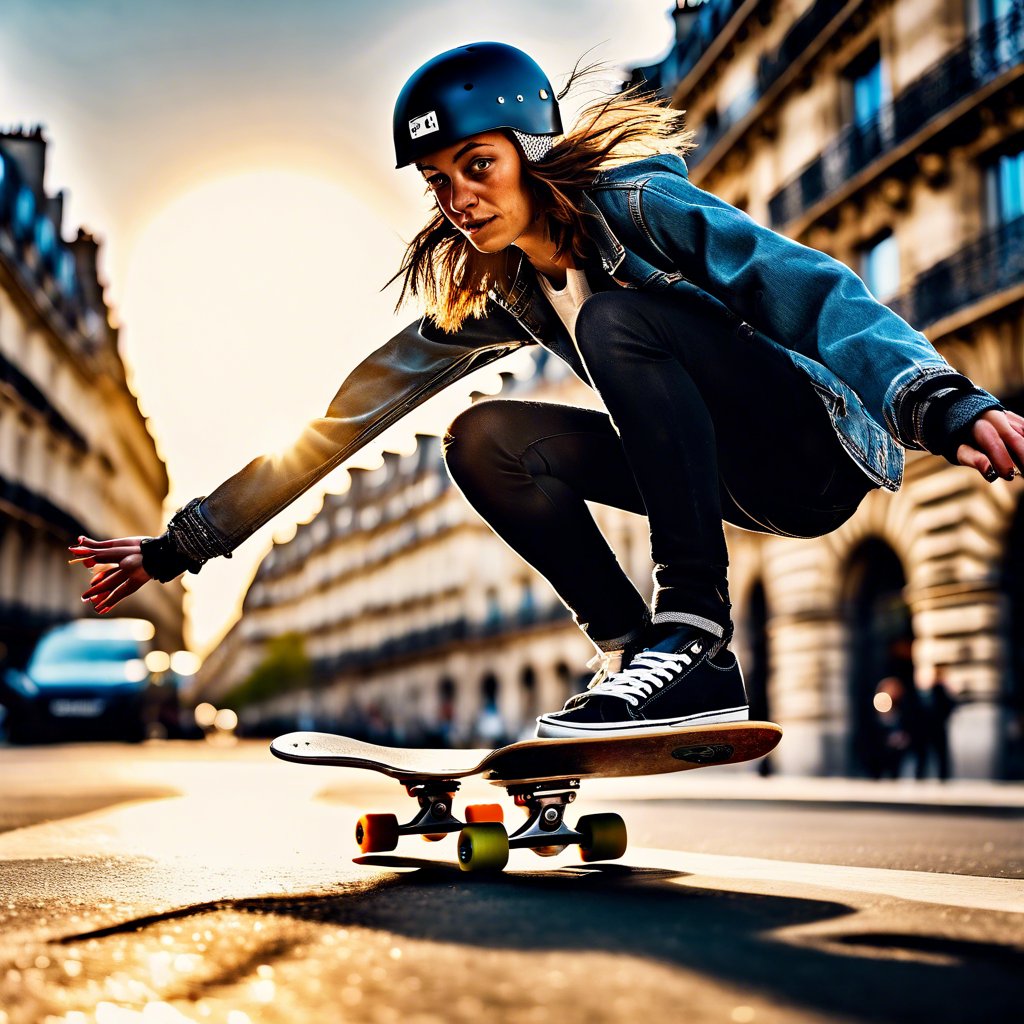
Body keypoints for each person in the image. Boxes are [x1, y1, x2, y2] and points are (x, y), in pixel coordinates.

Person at [69, 42, 1024, 741]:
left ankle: (691, 630)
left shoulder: (641, 204)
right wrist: (181, 543)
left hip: (809, 451)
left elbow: (806, 287)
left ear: (531, 149)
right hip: (726, 480)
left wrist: (942, 402)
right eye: (440, 183)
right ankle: (635, 650)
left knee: (619, 321)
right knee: (481, 437)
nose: (460, 199)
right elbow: (350, 414)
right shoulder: (505, 290)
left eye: (477, 168)